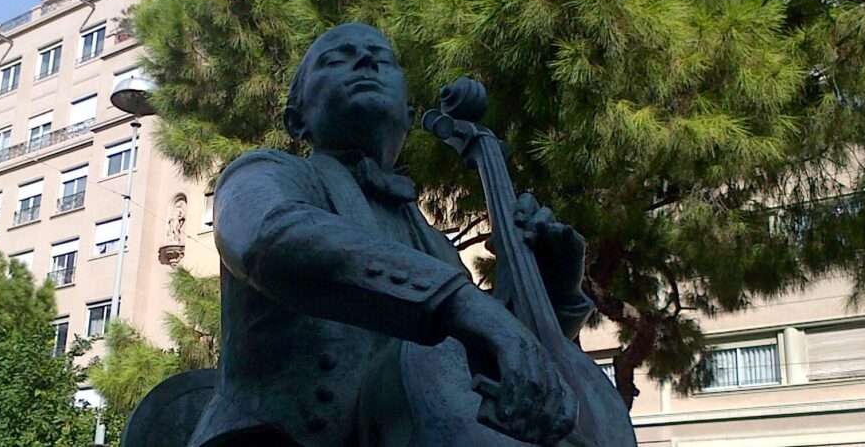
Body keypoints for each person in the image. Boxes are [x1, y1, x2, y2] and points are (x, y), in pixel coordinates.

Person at [189, 23, 593, 447]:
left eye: (382, 59)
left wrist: (554, 295)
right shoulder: (267, 173)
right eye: (336, 59)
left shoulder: (435, 244)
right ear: (296, 119)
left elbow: (487, 364)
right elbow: (269, 236)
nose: (366, 61)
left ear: (409, 115)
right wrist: (461, 303)